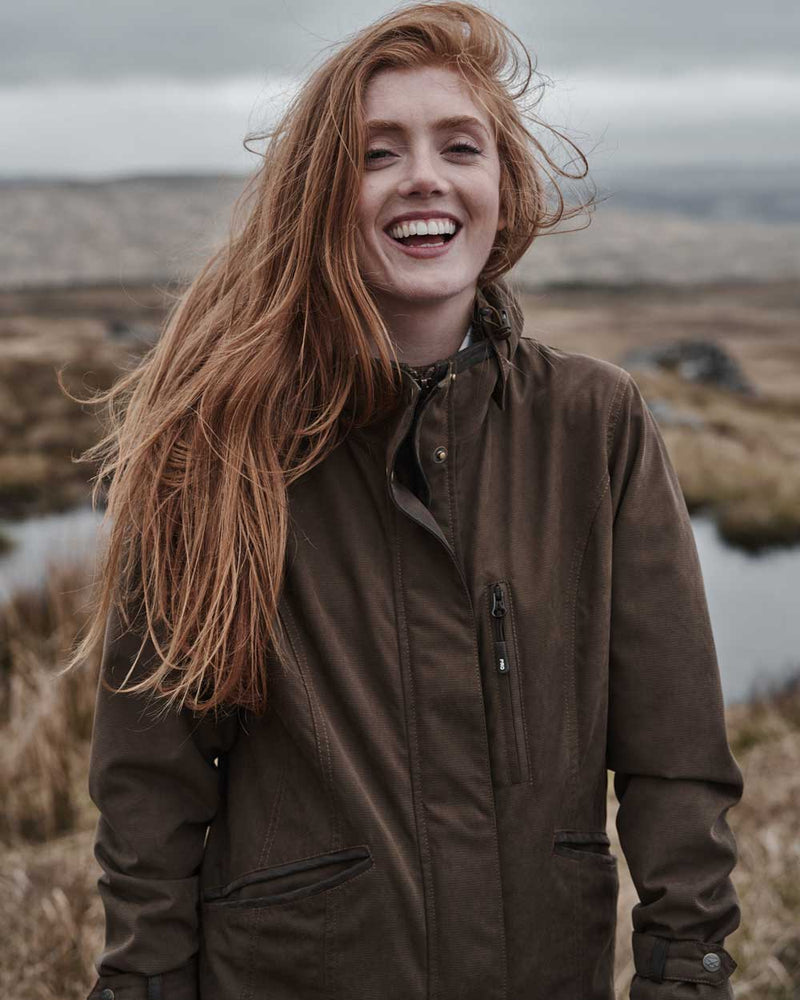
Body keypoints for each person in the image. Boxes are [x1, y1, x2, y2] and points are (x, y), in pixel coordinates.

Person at [69, 3, 743, 998]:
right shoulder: (214, 447)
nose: (423, 175)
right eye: (375, 153)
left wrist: (687, 974)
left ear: (499, 186)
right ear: (320, 197)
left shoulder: (593, 425)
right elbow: (149, 793)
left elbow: (674, 757)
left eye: (457, 145)